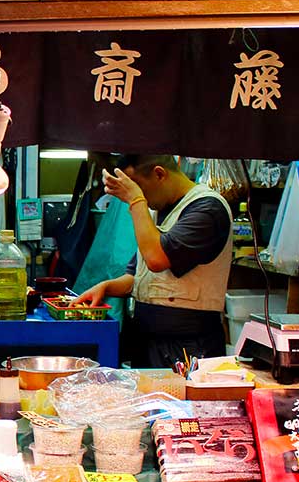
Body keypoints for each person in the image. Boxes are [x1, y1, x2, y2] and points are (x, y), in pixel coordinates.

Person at [75, 154, 233, 368]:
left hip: (190, 348)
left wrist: (136, 201)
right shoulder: (158, 213)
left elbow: (156, 259)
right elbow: (138, 276)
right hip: (148, 343)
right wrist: (106, 287)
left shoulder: (208, 209)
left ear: (159, 174)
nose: (140, 197)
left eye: (138, 188)